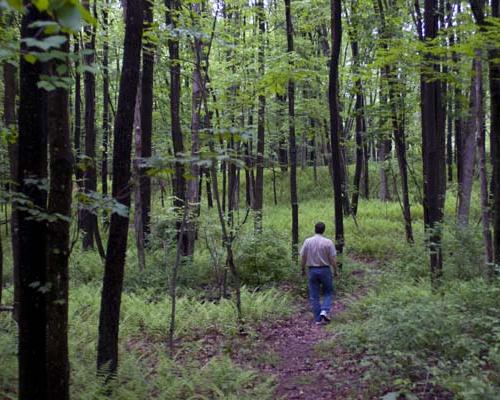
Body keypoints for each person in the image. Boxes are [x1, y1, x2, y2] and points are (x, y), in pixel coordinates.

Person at [300, 222, 338, 324]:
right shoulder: (328, 242)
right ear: (323, 230)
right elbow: (333, 258)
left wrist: (302, 269)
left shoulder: (307, 241)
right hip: (325, 270)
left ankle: (317, 319)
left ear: (315, 229)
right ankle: (324, 310)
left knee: (314, 295)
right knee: (328, 292)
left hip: (312, 270)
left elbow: (303, 256)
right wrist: (335, 270)